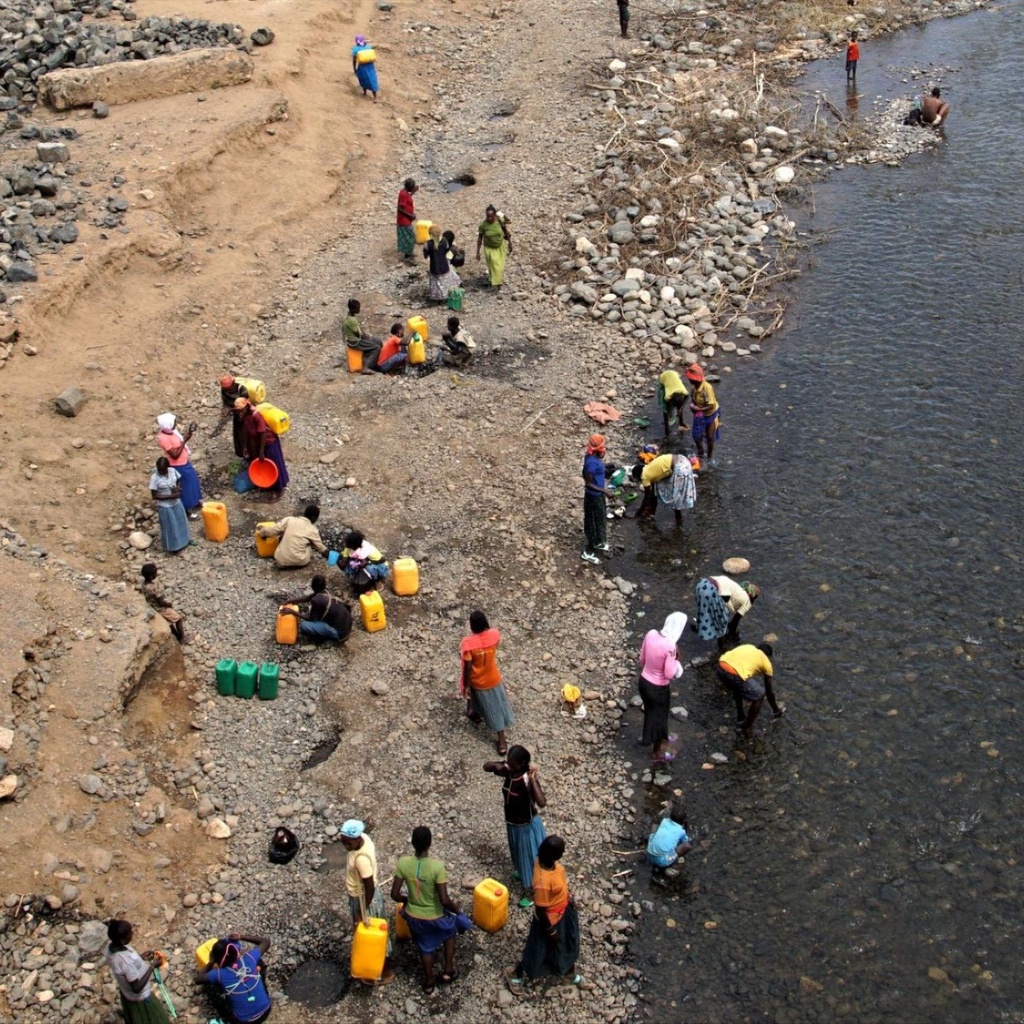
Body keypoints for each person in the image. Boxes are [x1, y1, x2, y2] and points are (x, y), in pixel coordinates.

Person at [390, 826, 468, 995]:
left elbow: (394, 894)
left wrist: (407, 900)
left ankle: (429, 982)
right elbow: (444, 900)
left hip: (413, 917)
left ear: (412, 843)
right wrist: (458, 911)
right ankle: (448, 970)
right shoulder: (437, 867)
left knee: (425, 948)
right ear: (430, 844)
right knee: (450, 931)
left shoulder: (403, 863)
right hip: (435, 916)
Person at [504, 836, 584, 996]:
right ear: (555, 855)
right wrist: (551, 930)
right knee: (538, 950)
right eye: (562, 850)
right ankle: (515, 974)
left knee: (569, 942)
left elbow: (560, 884)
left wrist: (567, 897)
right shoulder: (542, 881)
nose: (563, 852)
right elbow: (541, 909)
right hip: (550, 920)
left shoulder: (550, 864)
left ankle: (569, 973)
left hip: (564, 911)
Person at [483, 744, 547, 908]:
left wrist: (533, 779)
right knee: (517, 852)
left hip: (526, 826)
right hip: (512, 823)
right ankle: (522, 872)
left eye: (513, 763)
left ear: (523, 763)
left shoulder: (526, 778)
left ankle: (534, 892)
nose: (509, 765)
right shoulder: (510, 771)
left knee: (530, 857)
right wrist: (502, 763)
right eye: (509, 762)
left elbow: (541, 802)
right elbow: (487, 766)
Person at [339, 819, 394, 985]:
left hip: (364, 899)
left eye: (347, 843)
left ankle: (380, 971)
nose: (345, 846)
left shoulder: (361, 860)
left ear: (356, 839)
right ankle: (376, 966)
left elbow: (368, 886)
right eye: (343, 842)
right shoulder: (364, 838)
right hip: (366, 896)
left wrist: (361, 911)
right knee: (373, 929)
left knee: (370, 931)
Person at [460, 610, 515, 755]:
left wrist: (465, 685)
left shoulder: (468, 645)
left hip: (479, 682)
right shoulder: (494, 636)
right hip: (493, 677)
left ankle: (501, 740)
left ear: (471, 626)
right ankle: (473, 712)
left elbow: (467, 668)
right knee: (497, 702)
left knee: (493, 709)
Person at [638, 613, 686, 763]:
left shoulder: (651, 634)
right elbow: (669, 673)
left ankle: (646, 738)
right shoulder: (670, 646)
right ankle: (657, 752)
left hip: (643, 682)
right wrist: (676, 661)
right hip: (658, 689)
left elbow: (642, 659)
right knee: (660, 719)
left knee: (650, 713)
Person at [104, 919, 172, 1024]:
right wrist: (152, 966)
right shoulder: (126, 963)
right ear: (122, 940)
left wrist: (140, 957)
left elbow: (125, 965)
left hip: (127, 994)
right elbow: (136, 987)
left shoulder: (110, 948)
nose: (133, 933)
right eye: (130, 933)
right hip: (140, 998)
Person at [198, 933, 272, 1024]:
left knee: (210, 987)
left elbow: (198, 979)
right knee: (259, 963)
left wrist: (211, 961)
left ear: (218, 961)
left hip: (245, 1021)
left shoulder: (219, 974)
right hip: (266, 1010)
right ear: (236, 952)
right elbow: (266, 942)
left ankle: (225, 1018)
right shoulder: (249, 958)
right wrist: (241, 936)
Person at [717, 642, 784, 736]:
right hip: (733, 674)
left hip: (720, 667)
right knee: (760, 695)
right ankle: (746, 728)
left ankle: (740, 717)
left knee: (738, 686)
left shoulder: (748, 647)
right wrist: (776, 710)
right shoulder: (766, 662)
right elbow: (769, 692)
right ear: (768, 656)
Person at [236, 399, 290, 497]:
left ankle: (279, 489)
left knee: (274, 465)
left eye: (240, 409)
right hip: (258, 444)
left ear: (246, 407)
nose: (239, 412)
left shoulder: (256, 415)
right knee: (263, 466)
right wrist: (244, 446)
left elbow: (263, 434)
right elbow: (247, 432)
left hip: (269, 443)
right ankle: (267, 485)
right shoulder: (245, 416)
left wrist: (261, 452)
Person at [280, 574, 353, 644]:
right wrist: (289, 601)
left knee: (304, 625)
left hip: (339, 634)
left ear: (312, 586)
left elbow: (311, 619)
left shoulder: (316, 600)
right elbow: (307, 598)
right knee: (316, 612)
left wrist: (292, 612)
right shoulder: (326, 592)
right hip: (347, 627)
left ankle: (324, 638)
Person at [155, 413, 201, 517]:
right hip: (177, 465)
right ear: (168, 424)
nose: (176, 424)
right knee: (184, 487)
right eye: (174, 422)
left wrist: (188, 433)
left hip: (184, 462)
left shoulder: (171, 432)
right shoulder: (163, 438)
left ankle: (195, 502)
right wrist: (185, 440)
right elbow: (174, 455)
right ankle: (186, 511)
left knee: (193, 482)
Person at [693, 576, 760, 646]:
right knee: (722, 620)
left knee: (706, 613)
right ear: (752, 597)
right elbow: (736, 620)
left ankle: (697, 627)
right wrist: (733, 634)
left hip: (702, 584)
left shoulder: (736, 589)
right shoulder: (747, 601)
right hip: (712, 590)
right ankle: (721, 646)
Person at [258, 504, 327, 568]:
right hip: (301, 561)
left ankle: (285, 559)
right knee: (309, 544)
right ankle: (294, 561)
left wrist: (262, 532)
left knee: (283, 535)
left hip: (280, 560)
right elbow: (321, 548)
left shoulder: (289, 520)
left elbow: (274, 530)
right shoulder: (312, 530)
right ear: (313, 518)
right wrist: (330, 556)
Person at [632, 453, 694, 523]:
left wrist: (639, 512)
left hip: (680, 467)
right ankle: (652, 514)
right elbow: (652, 494)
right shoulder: (649, 468)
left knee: (675, 495)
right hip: (683, 460)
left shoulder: (644, 476)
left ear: (638, 475)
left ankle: (679, 519)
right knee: (659, 491)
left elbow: (647, 496)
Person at [582, 433, 614, 564]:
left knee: (600, 518)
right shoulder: (591, 463)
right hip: (593, 497)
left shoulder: (594, 458)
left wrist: (606, 467)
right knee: (592, 521)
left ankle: (599, 542)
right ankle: (588, 551)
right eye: (603, 448)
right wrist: (605, 491)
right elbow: (588, 483)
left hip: (598, 496)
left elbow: (597, 472)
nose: (604, 450)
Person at [149, 456, 190, 554]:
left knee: (181, 522)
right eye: (159, 470)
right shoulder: (154, 478)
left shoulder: (172, 471)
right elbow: (154, 496)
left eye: (163, 470)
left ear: (167, 467)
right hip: (165, 506)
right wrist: (170, 496)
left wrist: (178, 488)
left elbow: (179, 479)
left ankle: (185, 541)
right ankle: (174, 547)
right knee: (170, 526)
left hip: (176, 502)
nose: (161, 472)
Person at [685, 363, 720, 467]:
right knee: (696, 436)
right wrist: (693, 407)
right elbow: (693, 399)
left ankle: (709, 457)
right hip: (699, 414)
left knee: (709, 437)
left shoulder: (707, 388)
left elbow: (711, 405)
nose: (689, 380)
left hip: (710, 414)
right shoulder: (694, 388)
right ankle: (700, 452)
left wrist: (699, 409)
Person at [140, 563, 185, 643]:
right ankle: (182, 638)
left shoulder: (144, 585)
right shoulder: (153, 587)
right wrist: (169, 605)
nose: (157, 574)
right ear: (151, 576)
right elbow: (161, 601)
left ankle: (177, 637)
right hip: (160, 608)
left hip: (153, 607)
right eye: (155, 573)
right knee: (178, 619)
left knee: (170, 622)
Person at [338, 530, 390, 595]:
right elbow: (344, 558)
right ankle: (358, 578)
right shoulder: (349, 546)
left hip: (380, 566)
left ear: (355, 545)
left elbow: (382, 560)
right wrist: (342, 561)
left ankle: (377, 580)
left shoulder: (367, 549)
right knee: (348, 562)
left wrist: (368, 562)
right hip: (362, 563)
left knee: (369, 568)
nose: (346, 545)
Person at [646, 803, 694, 870]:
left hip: (648, 853)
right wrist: (687, 829)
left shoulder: (665, 821)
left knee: (655, 826)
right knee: (687, 846)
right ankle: (674, 861)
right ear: (683, 821)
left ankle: (651, 842)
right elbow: (685, 842)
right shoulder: (681, 831)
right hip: (662, 861)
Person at [476, 205, 512, 287]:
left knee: (500, 267)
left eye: (491, 216)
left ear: (495, 215)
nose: (489, 218)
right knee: (493, 265)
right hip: (489, 248)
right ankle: (497, 283)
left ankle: (496, 279)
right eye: (488, 216)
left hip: (500, 246)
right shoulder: (483, 225)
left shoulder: (500, 221)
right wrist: (477, 252)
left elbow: (506, 232)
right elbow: (480, 238)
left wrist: (510, 243)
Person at [342, 298, 382, 372]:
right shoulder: (351, 320)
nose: (359, 309)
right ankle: (366, 367)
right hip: (354, 342)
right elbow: (358, 334)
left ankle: (374, 361)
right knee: (376, 347)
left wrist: (367, 336)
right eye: (358, 308)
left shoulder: (350, 316)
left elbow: (358, 330)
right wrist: (368, 338)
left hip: (356, 339)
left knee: (378, 341)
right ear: (353, 309)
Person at [424, 225, 461, 302]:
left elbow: (425, 256)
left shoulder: (427, 244)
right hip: (444, 267)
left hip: (434, 268)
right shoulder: (445, 241)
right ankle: (447, 296)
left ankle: (438, 298)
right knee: (445, 283)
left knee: (437, 284)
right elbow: (447, 250)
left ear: (430, 235)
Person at [219, 376, 249, 458]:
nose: (226, 390)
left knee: (246, 433)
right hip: (236, 414)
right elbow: (225, 401)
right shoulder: (224, 390)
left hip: (246, 415)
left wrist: (230, 410)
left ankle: (249, 450)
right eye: (225, 388)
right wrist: (225, 409)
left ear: (233, 384)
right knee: (238, 434)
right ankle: (241, 451)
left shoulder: (241, 389)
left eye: (228, 388)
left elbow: (245, 405)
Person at [658, 369, 689, 436]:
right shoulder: (667, 397)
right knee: (666, 409)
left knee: (680, 408)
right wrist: (667, 429)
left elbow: (685, 400)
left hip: (675, 374)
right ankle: (666, 429)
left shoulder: (684, 392)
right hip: (664, 377)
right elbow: (665, 411)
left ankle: (681, 422)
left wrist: (680, 409)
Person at [351, 34, 378, 101]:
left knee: (363, 79)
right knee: (372, 80)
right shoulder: (368, 47)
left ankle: (364, 92)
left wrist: (354, 69)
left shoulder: (355, 49)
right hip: (370, 66)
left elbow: (354, 60)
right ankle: (375, 97)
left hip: (362, 67)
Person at [397, 178, 418, 260]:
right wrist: (410, 215)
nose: (413, 188)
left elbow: (407, 199)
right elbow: (400, 208)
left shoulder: (404, 192)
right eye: (412, 187)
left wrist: (413, 192)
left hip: (406, 220)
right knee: (410, 237)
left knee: (409, 237)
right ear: (408, 187)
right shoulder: (403, 194)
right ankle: (408, 256)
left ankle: (409, 253)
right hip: (404, 221)